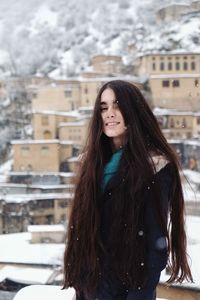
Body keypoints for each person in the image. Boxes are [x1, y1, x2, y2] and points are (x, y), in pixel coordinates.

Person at [63, 80, 193, 300]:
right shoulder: (91, 165)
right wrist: (80, 288)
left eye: (118, 105)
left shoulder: (154, 166)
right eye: (104, 108)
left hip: (128, 291)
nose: (110, 114)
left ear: (134, 111)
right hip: (91, 289)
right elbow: (83, 236)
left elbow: (155, 244)